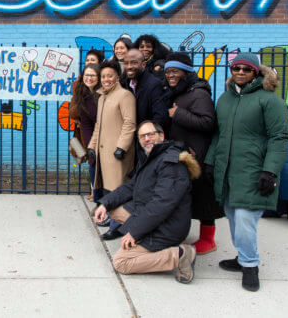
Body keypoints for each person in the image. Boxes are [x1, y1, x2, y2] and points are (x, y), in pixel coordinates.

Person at [204, 52, 288, 292]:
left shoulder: (270, 101)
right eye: (236, 68)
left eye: (246, 69)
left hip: (253, 171)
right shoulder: (225, 99)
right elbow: (218, 134)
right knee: (232, 215)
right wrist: (211, 162)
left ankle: (250, 265)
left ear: (256, 72)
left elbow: (279, 137)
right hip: (227, 170)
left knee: (244, 218)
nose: (240, 72)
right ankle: (242, 256)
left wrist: (270, 171)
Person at [93, 120, 200, 283]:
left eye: (150, 134)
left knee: (121, 263)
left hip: (168, 226)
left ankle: (180, 255)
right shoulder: (153, 157)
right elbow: (131, 186)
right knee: (112, 209)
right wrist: (105, 204)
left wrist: (134, 232)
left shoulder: (171, 164)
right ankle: (146, 239)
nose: (147, 139)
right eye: (142, 136)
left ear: (161, 136)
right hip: (153, 216)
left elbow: (161, 205)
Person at [163, 52, 223, 255]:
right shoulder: (179, 92)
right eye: (168, 71)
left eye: (175, 71)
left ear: (187, 72)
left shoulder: (199, 93)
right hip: (184, 155)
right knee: (186, 198)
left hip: (200, 157)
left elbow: (208, 123)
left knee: (204, 200)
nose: (170, 75)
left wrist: (178, 114)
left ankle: (208, 240)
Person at [87, 60, 136, 240]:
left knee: (117, 190)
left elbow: (130, 123)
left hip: (117, 153)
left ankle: (117, 227)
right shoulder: (102, 97)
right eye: (103, 76)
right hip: (104, 153)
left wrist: (122, 147)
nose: (106, 79)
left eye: (110, 76)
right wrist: (92, 146)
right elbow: (99, 125)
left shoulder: (124, 96)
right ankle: (113, 219)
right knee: (108, 189)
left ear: (117, 77)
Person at [68, 63, 101, 201]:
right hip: (86, 131)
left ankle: (101, 196)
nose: (89, 78)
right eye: (87, 75)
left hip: (105, 132)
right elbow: (73, 113)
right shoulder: (81, 92)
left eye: (93, 75)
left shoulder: (103, 93)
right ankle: (95, 193)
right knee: (91, 161)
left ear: (99, 77)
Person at [121, 48, 170, 129]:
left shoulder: (154, 84)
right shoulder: (125, 84)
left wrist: (145, 134)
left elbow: (160, 117)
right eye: (126, 63)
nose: (129, 66)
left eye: (134, 63)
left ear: (143, 65)